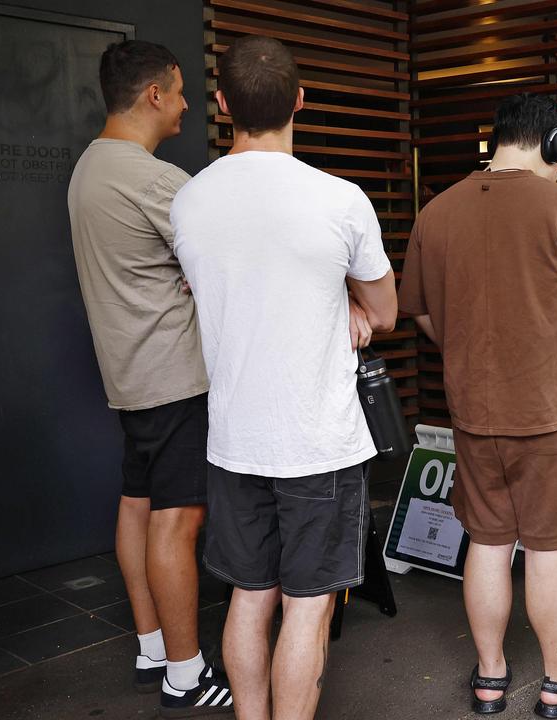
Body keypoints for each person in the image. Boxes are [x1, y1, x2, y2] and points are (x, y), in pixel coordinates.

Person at [172, 36, 397, 720]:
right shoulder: (340, 199)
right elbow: (385, 309)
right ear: (300, 100)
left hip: (235, 437)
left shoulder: (189, 203)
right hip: (318, 440)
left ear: (221, 105)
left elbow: (213, 290)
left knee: (250, 594)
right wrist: (351, 308)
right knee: (307, 605)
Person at [399, 92, 557, 718]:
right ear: (556, 144)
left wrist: (463, 347)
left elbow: (415, 305)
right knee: (550, 548)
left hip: (474, 409)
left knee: (488, 542)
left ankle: (491, 679)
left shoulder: (437, 211)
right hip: (551, 409)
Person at [67, 39, 232, 716]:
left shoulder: (88, 169)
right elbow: (222, 267)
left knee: (137, 506)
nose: (189, 104)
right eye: (182, 90)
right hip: (173, 377)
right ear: (154, 95)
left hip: (129, 376)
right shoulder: (152, 178)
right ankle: (186, 674)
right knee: (178, 521)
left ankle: (153, 645)